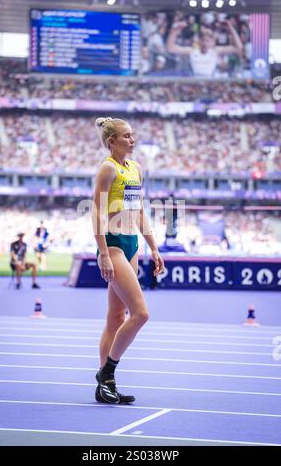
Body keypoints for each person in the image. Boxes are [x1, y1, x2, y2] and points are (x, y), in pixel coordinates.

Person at [92, 117, 165, 404]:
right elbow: (97, 211)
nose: (132, 140)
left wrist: (154, 248)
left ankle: (105, 386)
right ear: (112, 141)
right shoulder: (107, 168)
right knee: (141, 314)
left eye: (133, 135)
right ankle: (106, 372)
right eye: (126, 136)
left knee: (116, 317)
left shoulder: (135, 168)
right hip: (113, 245)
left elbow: (140, 212)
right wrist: (102, 252)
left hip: (132, 244)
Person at [166, 19, 243, 78]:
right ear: (199, 41)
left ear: (212, 42)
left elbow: (238, 47)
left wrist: (230, 28)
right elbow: (170, 48)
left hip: (210, 83)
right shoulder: (192, 51)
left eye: (207, 41)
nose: (205, 43)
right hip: (194, 83)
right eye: (203, 40)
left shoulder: (215, 51)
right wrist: (176, 30)